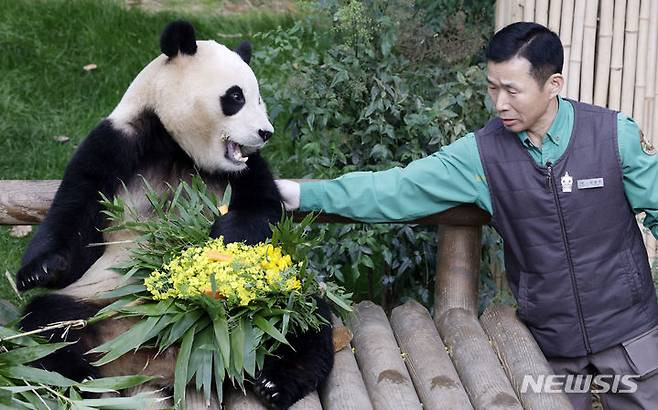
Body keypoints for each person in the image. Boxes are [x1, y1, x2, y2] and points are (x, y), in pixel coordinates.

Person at [275, 22, 658, 409]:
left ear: (553, 84)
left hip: (630, 338)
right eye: (493, 87)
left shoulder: (612, 135)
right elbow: (395, 188)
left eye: (512, 89)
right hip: (549, 348)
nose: (500, 103)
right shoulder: (482, 154)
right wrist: (304, 194)